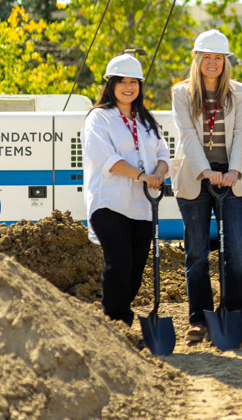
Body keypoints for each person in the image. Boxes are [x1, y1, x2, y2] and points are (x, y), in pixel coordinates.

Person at [171, 30, 242, 343]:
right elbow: (187, 135)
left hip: (230, 179)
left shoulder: (238, 92)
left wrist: (232, 171)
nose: (213, 62)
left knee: (236, 252)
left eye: (218, 57)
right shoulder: (182, 93)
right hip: (194, 178)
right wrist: (206, 171)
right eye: (207, 56)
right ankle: (200, 320)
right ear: (197, 59)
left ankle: (234, 316)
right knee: (197, 253)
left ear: (225, 61)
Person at [81, 53, 169, 329]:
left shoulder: (146, 119)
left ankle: (120, 320)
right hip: (109, 204)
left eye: (134, 82)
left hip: (142, 207)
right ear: (110, 84)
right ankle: (116, 321)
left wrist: (158, 174)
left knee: (134, 271)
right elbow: (106, 158)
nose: (128, 87)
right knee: (119, 262)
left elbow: (163, 154)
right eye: (122, 82)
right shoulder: (99, 118)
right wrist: (142, 175)